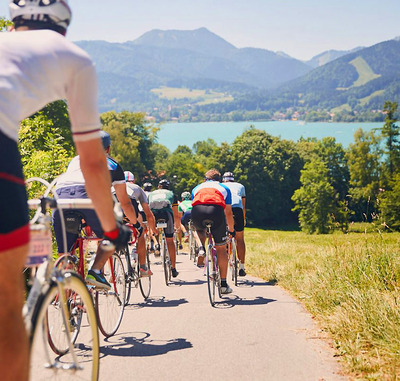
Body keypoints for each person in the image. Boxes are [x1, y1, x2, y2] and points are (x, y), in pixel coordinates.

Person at [0, 2, 128, 380]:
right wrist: (110, 228)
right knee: (7, 301)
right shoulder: (75, 59)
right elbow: (92, 161)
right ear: (64, 27)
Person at [53, 131, 142, 289]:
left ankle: (66, 303)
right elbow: (125, 202)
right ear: (107, 149)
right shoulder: (113, 164)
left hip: (60, 199)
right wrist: (136, 224)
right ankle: (95, 271)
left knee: (65, 255)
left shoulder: (75, 160)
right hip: (88, 197)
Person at [191, 169, 235, 294]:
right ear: (219, 179)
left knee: (199, 230)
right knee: (221, 248)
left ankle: (201, 247)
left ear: (205, 179)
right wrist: (231, 230)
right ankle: (224, 284)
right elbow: (228, 212)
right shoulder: (224, 188)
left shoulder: (197, 188)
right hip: (216, 211)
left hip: (198, 211)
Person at [124, 171, 157, 276]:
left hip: (114, 205)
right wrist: (153, 229)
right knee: (141, 233)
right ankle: (143, 267)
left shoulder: (113, 186)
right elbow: (148, 213)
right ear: (133, 181)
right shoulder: (137, 188)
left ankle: (110, 271)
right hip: (131, 208)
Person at [148, 179, 180, 277]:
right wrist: (177, 226)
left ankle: (156, 244)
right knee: (170, 241)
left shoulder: (151, 194)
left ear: (158, 186)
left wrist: (152, 226)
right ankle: (173, 268)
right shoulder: (171, 194)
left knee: (152, 230)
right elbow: (176, 213)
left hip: (154, 213)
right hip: (166, 213)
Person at [222, 171, 247, 276]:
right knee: (240, 238)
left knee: (223, 236)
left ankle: (226, 259)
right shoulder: (240, 186)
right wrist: (244, 218)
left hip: (224, 209)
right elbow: (243, 205)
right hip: (237, 209)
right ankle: (242, 266)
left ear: (224, 179)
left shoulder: (221, 186)